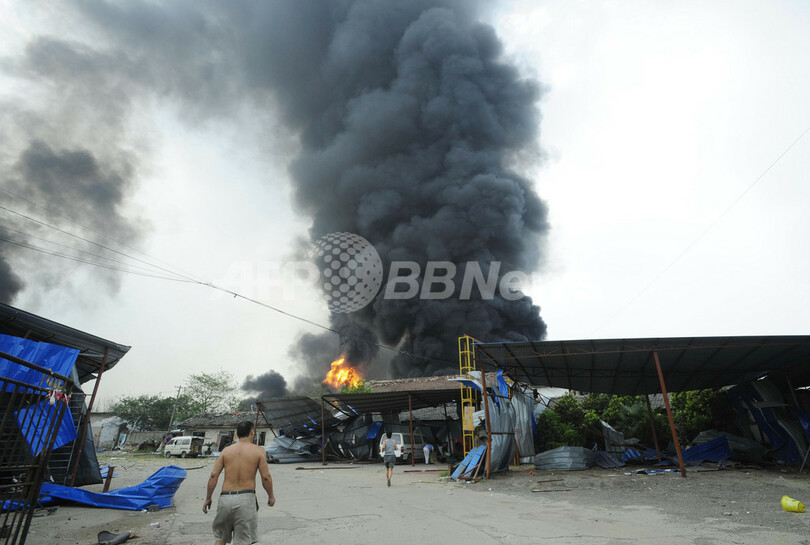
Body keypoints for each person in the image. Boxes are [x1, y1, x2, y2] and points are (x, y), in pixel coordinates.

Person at [204, 421, 275, 545]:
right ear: (252, 433)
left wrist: (208, 498)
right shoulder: (258, 451)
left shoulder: (226, 451)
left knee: (220, 537)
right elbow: (266, 477)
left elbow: (213, 475)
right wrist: (271, 495)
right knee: (243, 540)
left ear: (237, 434)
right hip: (245, 499)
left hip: (225, 498)